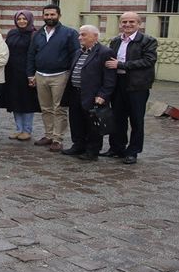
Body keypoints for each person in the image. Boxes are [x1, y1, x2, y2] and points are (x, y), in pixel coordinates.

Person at [103, 12, 158, 164]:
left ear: (139, 24)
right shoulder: (115, 41)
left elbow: (148, 61)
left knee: (136, 120)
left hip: (137, 85)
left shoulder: (148, 41)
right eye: (124, 22)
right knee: (117, 118)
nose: (127, 24)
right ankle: (116, 148)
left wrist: (121, 65)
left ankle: (133, 151)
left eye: (131, 22)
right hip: (118, 83)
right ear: (120, 24)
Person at [26, 4, 80, 152]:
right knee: (46, 108)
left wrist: (70, 75)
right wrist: (31, 74)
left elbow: (75, 54)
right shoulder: (37, 34)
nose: (49, 17)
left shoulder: (69, 33)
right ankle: (48, 134)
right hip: (41, 75)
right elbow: (31, 54)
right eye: (47, 15)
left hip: (60, 75)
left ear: (59, 15)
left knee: (60, 109)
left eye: (52, 15)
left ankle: (57, 138)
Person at [58, 25, 116, 160]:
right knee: (76, 121)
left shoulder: (105, 52)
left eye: (83, 35)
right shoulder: (79, 52)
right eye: (80, 35)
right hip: (75, 92)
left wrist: (103, 95)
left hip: (93, 95)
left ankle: (92, 150)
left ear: (95, 36)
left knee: (92, 124)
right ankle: (78, 145)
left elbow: (110, 77)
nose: (80, 38)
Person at [0, 10, 41, 141]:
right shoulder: (12, 33)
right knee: (14, 101)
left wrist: (33, 73)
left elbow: (36, 54)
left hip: (26, 73)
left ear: (30, 20)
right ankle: (19, 129)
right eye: (19, 19)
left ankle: (27, 130)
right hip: (12, 72)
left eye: (24, 19)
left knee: (27, 102)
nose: (22, 21)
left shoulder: (35, 34)